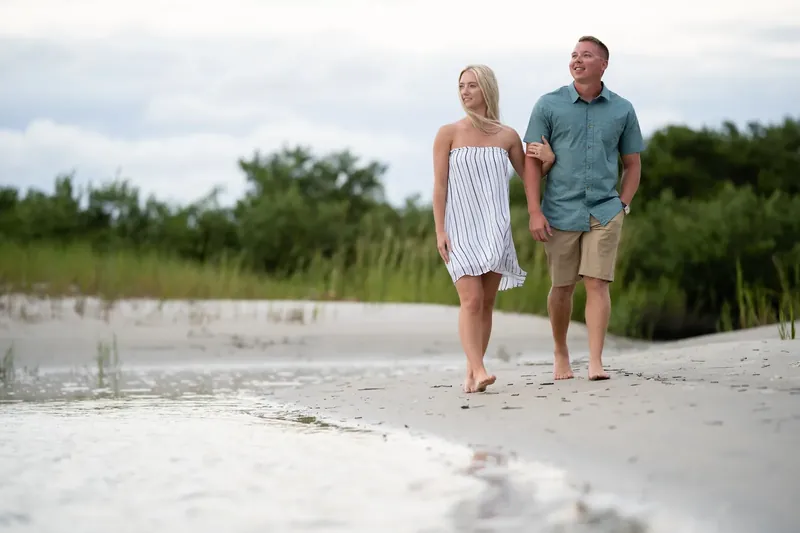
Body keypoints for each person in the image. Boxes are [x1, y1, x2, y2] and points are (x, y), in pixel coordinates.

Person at [522, 36, 644, 381]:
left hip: (605, 210)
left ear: (603, 64)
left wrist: (622, 204)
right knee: (562, 287)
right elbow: (532, 162)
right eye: (574, 55)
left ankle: (595, 361)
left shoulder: (623, 109)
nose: (577, 60)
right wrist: (534, 211)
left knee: (597, 282)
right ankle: (561, 353)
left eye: (586, 55)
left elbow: (632, 164)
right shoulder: (548, 105)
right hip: (559, 210)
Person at [432, 64, 555, 393]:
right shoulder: (448, 133)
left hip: (495, 229)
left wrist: (549, 160)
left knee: (486, 304)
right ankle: (479, 367)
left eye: (472, 85)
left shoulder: (507, 136)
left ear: (487, 89)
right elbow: (440, 187)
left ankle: (473, 374)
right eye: (461, 86)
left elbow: (530, 177)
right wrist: (439, 230)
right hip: (460, 229)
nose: (465, 91)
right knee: (470, 301)